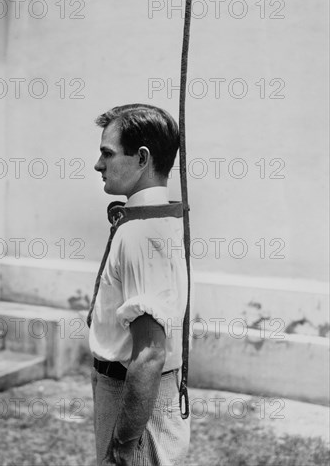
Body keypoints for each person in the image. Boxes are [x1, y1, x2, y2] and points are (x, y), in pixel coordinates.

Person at [88, 104, 190, 466]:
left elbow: (149, 353)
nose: (99, 164)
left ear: (142, 158)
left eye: (107, 153)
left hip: (133, 399)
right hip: (134, 393)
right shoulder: (163, 219)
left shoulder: (142, 233)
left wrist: (122, 449)